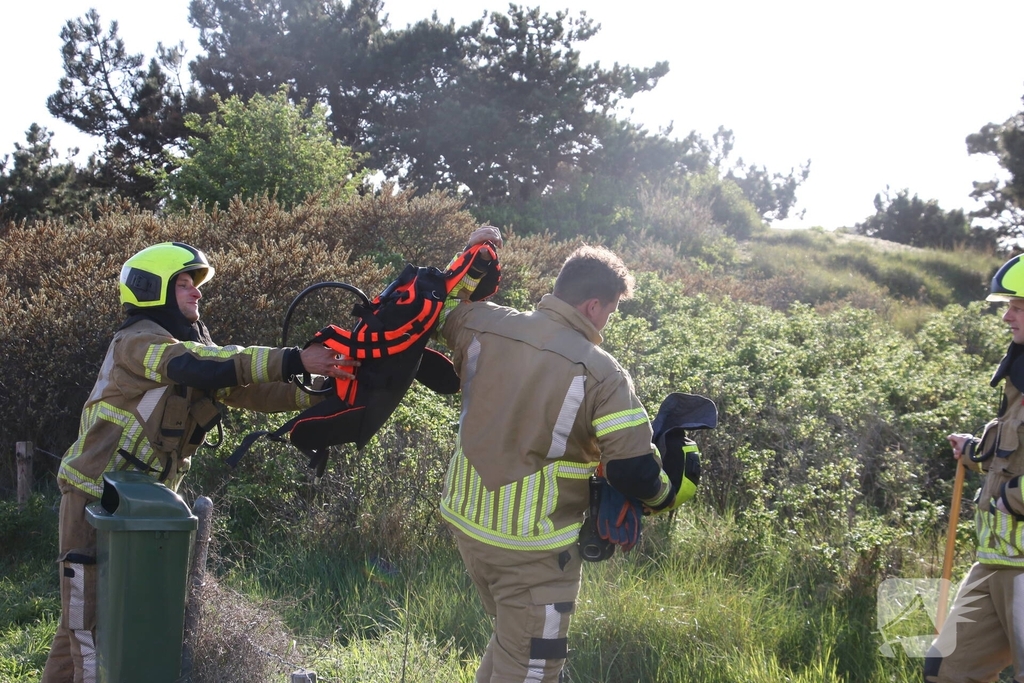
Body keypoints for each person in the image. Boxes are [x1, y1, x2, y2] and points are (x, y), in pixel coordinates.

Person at [41, 241, 357, 683]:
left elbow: (253, 391)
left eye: (195, 284)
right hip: (95, 500)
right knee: (88, 622)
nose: (197, 293)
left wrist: (322, 384)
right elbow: (201, 365)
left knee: (89, 622)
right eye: (184, 284)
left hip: (145, 507)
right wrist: (292, 358)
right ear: (154, 291)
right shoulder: (137, 344)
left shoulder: (189, 349)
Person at [437, 233, 692, 683]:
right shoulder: (603, 373)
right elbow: (633, 471)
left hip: (467, 526)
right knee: (533, 670)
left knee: (512, 645)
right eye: (611, 311)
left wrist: (472, 256)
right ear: (594, 306)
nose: (608, 321)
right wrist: (669, 492)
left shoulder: (481, 323)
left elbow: (442, 306)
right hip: (532, 551)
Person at [927, 254, 1024, 681]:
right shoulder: (1018, 383)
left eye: (1018, 307)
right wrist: (974, 452)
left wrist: (1009, 497)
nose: (1007, 317)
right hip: (996, 564)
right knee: (946, 669)